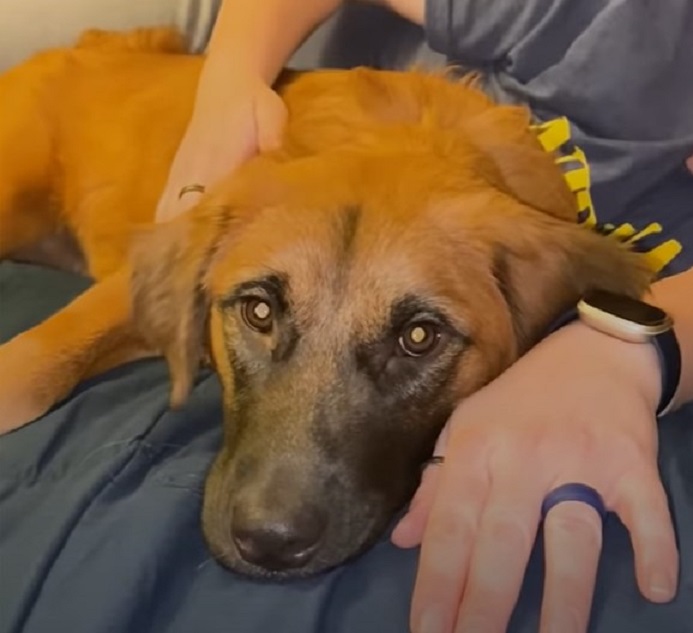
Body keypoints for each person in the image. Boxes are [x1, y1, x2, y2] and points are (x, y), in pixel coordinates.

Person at [2, 2, 692, 632]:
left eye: (417, 337)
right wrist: (229, 82)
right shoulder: (614, 28)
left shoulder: (521, 257)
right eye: (260, 311)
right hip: (65, 116)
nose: (274, 511)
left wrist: (611, 353)